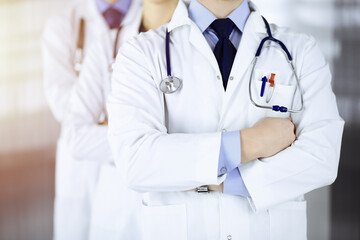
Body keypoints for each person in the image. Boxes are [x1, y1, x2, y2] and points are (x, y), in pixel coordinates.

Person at [107, 0, 345, 239]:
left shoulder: (299, 50)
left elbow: (322, 155)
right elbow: (136, 160)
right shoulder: (141, 53)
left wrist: (219, 181)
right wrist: (248, 143)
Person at [63, 0, 178, 238]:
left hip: (175, 208)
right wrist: (148, 142)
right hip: (117, 213)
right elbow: (75, 136)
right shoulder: (107, 44)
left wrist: (122, 132)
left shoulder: (198, 45)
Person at [41, 0, 140, 239]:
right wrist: (128, 124)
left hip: (128, 174)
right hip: (81, 167)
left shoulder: (150, 16)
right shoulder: (62, 26)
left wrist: (103, 119)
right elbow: (64, 106)